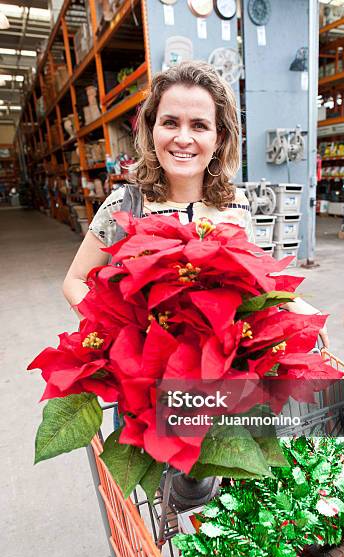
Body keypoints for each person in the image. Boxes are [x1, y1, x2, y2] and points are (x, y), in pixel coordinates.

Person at [63, 61, 328, 347]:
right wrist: (113, 332)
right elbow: (74, 280)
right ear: (152, 129)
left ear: (219, 138)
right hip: (147, 379)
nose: (183, 138)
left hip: (220, 373)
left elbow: (256, 278)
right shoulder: (125, 204)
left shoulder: (235, 204)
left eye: (199, 125)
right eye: (170, 123)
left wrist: (291, 301)